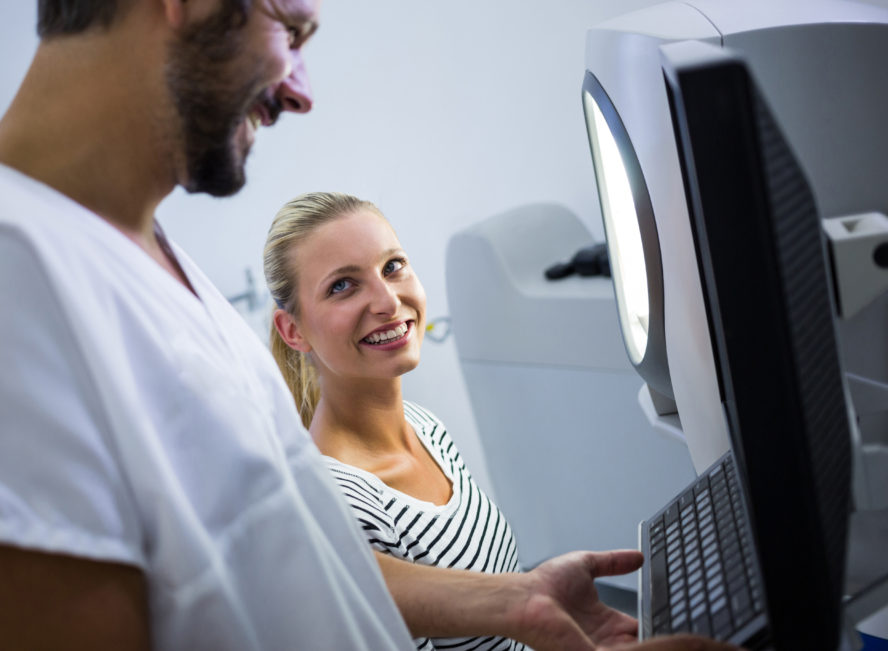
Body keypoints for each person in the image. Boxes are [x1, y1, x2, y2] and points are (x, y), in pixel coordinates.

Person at [0, 0, 741, 649]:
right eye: (291, 27)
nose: (302, 89)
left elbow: (284, 564)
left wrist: (513, 598)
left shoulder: (163, 269)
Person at [262, 191, 743, 650]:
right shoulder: (346, 506)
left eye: (393, 266)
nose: (387, 301)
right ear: (293, 330)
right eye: (342, 286)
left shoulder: (423, 427)